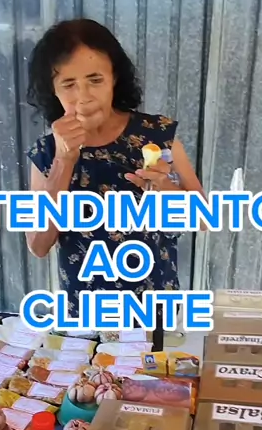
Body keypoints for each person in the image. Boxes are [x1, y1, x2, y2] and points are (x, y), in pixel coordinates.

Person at [25, 18, 206, 320]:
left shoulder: (157, 135)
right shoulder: (47, 153)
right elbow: (38, 245)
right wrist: (64, 160)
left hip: (155, 310)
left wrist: (166, 188)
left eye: (95, 80)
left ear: (114, 78)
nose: (84, 96)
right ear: (53, 90)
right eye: (68, 84)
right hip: (85, 316)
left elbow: (202, 218)